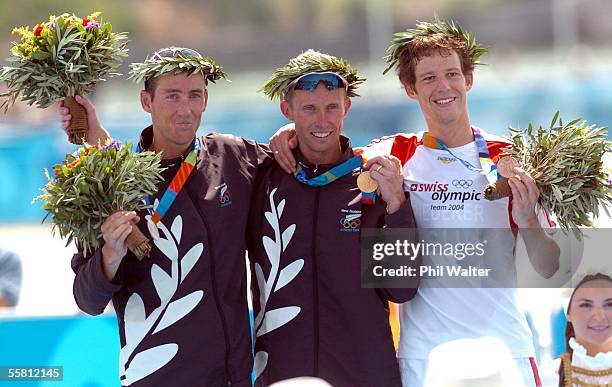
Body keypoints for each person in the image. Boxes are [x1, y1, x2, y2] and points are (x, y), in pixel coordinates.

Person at [269, 19, 560, 387]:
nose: (444, 87)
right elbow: (326, 150)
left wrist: (528, 222)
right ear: (410, 88)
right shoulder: (391, 153)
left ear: (468, 80)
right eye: (428, 78)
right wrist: (290, 132)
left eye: (452, 73)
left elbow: (549, 268)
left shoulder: (510, 158)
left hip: (503, 351)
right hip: (424, 358)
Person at [60, 47, 273, 386]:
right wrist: (110, 256)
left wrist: (289, 136)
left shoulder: (234, 157)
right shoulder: (112, 183)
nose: (185, 109)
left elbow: (300, 168)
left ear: (206, 99)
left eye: (195, 96)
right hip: (153, 376)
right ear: (146, 101)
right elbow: (87, 301)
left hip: (230, 378)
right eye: (172, 96)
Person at [247, 50, 418, 387]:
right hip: (284, 375)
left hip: (364, 375)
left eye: (331, 108)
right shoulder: (262, 178)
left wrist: (398, 204)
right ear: (287, 109)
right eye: (309, 109)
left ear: (346, 108)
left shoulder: (372, 183)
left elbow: (401, 288)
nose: (322, 121)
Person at [558, 273, 612, 386]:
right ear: (569, 313)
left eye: (610, 304)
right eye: (586, 305)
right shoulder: (547, 377)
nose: (599, 317)